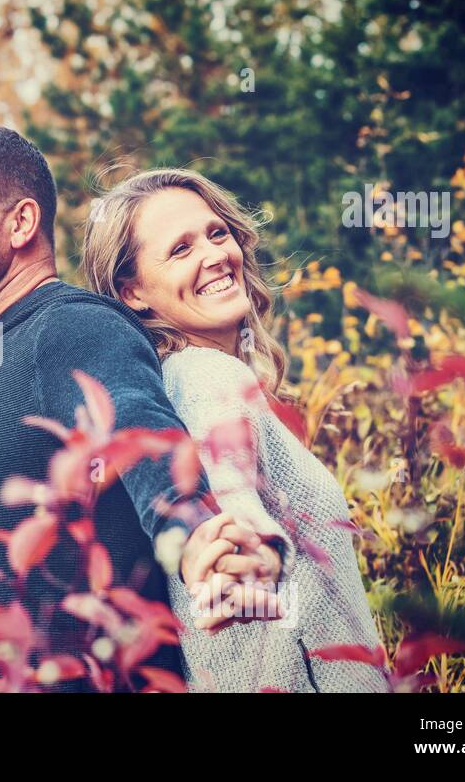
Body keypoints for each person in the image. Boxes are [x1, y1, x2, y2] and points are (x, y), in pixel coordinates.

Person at [0, 125, 285, 692]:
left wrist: (196, 534)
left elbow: (138, 424)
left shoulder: (69, 326)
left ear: (21, 223)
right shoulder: (4, 346)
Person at [81, 166, 389, 692]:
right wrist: (242, 548)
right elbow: (228, 487)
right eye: (180, 249)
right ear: (132, 292)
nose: (215, 255)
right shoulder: (206, 375)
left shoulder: (172, 384)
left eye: (216, 232)